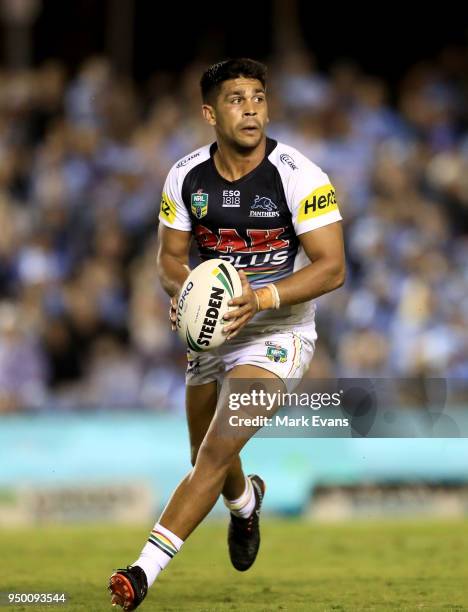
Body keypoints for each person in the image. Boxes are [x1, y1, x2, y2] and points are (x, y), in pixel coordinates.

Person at [108, 58, 345, 610]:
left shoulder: (300, 176)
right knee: (204, 455)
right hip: (214, 331)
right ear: (210, 113)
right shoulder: (185, 176)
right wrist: (181, 294)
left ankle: (141, 572)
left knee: (214, 449)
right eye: (237, 99)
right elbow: (168, 261)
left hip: (277, 330)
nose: (251, 108)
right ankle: (245, 507)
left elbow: (332, 267)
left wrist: (260, 298)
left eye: (259, 97)